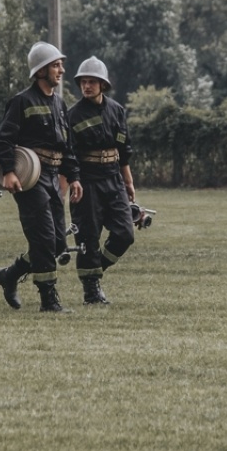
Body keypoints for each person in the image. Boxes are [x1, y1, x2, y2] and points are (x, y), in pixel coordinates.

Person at [0, 41, 82, 313]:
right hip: (31, 180)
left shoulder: (60, 103)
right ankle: (49, 300)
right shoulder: (21, 101)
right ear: (40, 70)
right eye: (56, 65)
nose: (62, 70)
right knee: (43, 239)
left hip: (54, 178)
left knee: (56, 243)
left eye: (60, 65)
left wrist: (74, 176)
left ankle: (10, 274)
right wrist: (8, 170)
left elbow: (67, 147)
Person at [67, 57, 136, 305]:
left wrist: (128, 182)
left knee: (125, 234)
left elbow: (124, 148)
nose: (87, 86)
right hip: (88, 182)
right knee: (88, 236)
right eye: (83, 82)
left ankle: (97, 271)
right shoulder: (72, 115)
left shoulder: (117, 110)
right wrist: (74, 181)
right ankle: (91, 290)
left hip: (114, 179)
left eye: (92, 81)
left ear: (102, 84)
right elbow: (69, 155)